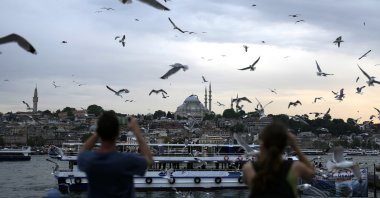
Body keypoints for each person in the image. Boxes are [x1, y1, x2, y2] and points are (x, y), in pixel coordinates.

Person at [78, 111, 153, 198]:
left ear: (99, 131)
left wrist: (100, 130)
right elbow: (149, 161)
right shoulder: (126, 161)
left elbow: (82, 151)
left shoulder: (89, 160)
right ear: (117, 133)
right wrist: (136, 131)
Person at [242, 122, 315, 198]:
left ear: (263, 143)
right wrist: (295, 146)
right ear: (284, 144)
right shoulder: (295, 167)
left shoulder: (249, 169)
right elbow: (311, 174)